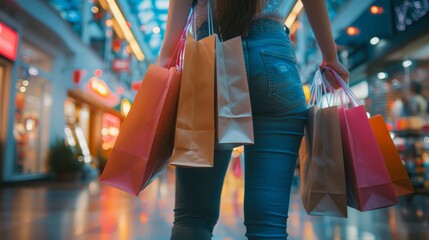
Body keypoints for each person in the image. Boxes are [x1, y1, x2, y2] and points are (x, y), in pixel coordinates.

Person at [158, 0, 349, 239]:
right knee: (268, 224)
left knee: (193, 217)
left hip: (210, 61)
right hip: (274, 60)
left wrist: (166, 54)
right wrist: (330, 57)